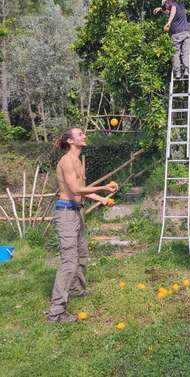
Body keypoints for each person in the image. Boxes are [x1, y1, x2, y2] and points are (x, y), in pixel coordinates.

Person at [48, 127, 117, 323]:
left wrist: (101, 199)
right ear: (70, 141)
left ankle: (76, 290)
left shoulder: (78, 161)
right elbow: (75, 188)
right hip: (66, 214)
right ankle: (56, 312)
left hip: (76, 211)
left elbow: (82, 192)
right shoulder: (67, 161)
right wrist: (103, 186)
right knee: (69, 262)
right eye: (80, 134)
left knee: (82, 255)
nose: (84, 136)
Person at [153, 0, 190, 79]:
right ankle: (186, 70)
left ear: (167, 2)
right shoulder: (180, 5)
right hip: (186, 33)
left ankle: (177, 73)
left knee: (175, 54)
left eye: (164, 5)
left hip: (177, 34)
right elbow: (169, 11)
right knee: (185, 53)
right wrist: (160, 9)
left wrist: (169, 22)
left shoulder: (173, 6)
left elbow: (172, 10)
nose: (165, 7)